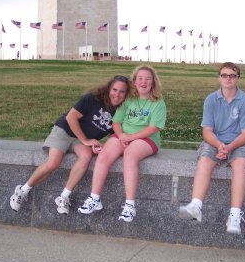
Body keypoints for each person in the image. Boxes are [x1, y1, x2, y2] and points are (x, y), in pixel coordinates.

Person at [9, 75, 130, 214]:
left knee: (86, 155)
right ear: (109, 88)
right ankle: (22, 190)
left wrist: (96, 145)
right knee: (53, 163)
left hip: (82, 139)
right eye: (114, 89)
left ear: (126, 94)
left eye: (122, 91)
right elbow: (71, 117)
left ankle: (63, 197)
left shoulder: (121, 111)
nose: (117, 94)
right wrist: (85, 141)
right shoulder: (93, 98)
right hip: (65, 130)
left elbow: (116, 133)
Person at [77, 65, 167, 222]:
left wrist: (130, 138)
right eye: (140, 78)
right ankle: (94, 198)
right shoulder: (129, 100)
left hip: (146, 139)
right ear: (134, 81)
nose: (143, 82)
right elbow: (116, 122)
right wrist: (121, 136)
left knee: (130, 155)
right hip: (124, 135)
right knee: (104, 155)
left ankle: (130, 205)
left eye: (147, 79)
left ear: (153, 82)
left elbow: (153, 128)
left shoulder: (158, 103)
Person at [178, 62, 245, 234]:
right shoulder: (211, 100)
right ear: (219, 77)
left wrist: (229, 148)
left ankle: (235, 216)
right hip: (216, 141)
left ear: (238, 78)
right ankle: (196, 206)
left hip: (240, 143)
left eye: (232, 75)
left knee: (240, 164)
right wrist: (219, 145)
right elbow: (207, 131)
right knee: (205, 159)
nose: (228, 78)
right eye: (224, 75)